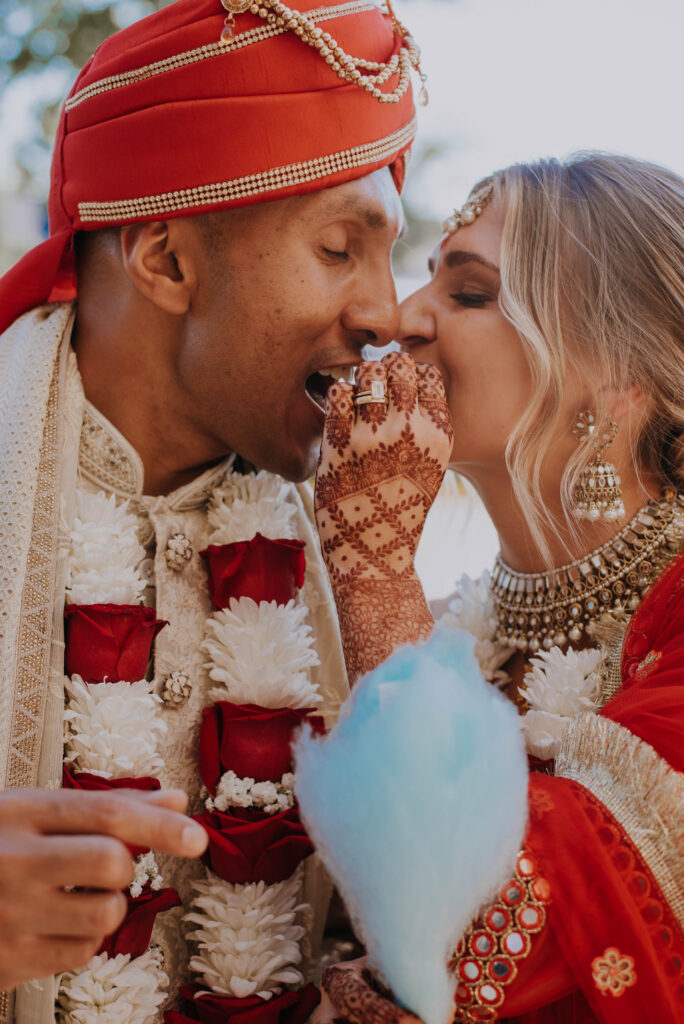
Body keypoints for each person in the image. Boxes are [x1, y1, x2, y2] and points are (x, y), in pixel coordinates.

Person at [0, 0, 421, 1019]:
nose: (387, 312)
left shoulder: (348, 540)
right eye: (339, 248)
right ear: (167, 261)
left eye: (387, 254)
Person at [312, 153, 684, 1022]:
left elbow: (441, 947)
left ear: (622, 383)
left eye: (470, 294)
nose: (401, 318)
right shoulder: (440, 632)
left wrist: (370, 577)